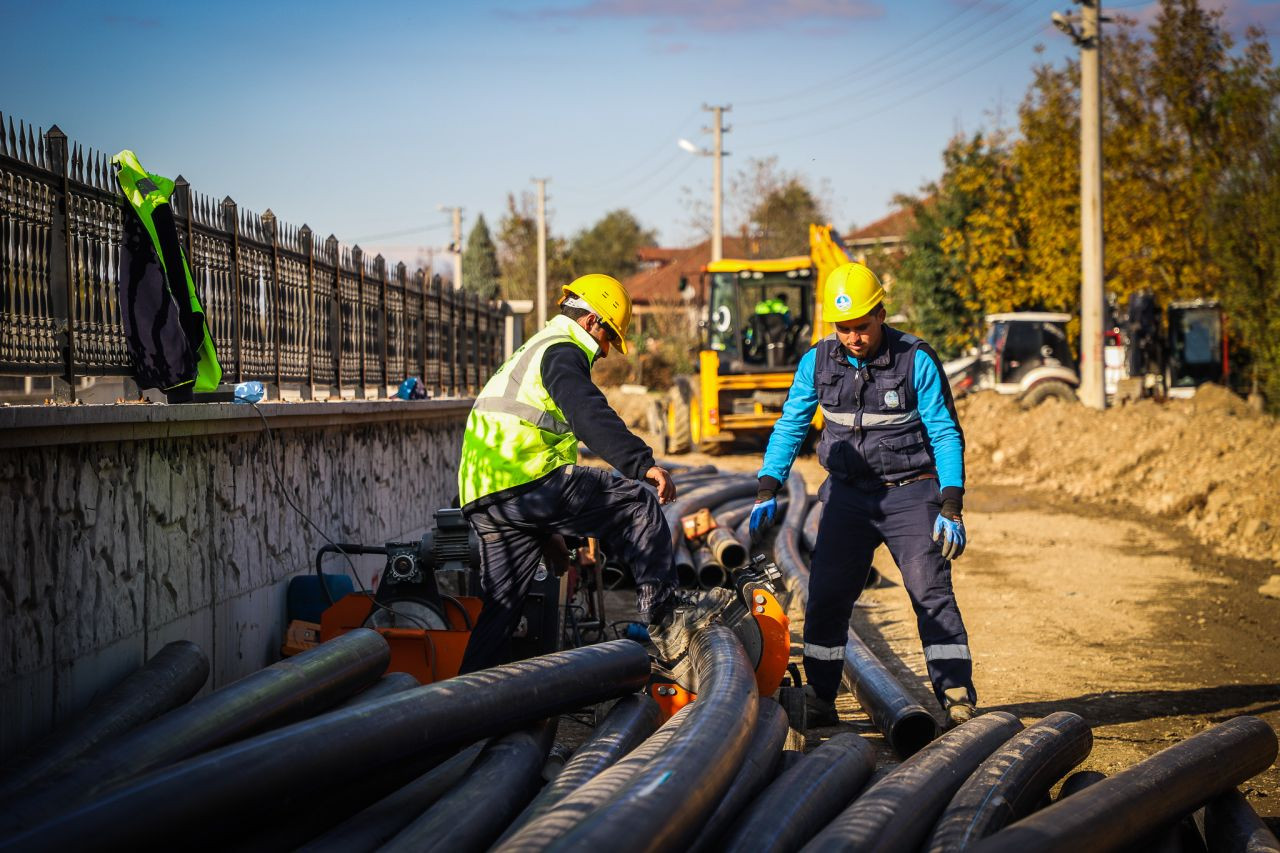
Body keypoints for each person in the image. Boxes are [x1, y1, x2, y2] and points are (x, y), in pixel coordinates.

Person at [456, 273, 730, 674]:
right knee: (637, 503)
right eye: (608, 340)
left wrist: (546, 528)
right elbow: (588, 414)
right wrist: (642, 463)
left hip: (487, 498)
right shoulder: (562, 351)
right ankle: (666, 619)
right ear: (591, 322)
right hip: (526, 480)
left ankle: (462, 709)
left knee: (500, 612)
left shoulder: (531, 350)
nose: (605, 353)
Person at [749, 262, 976, 728]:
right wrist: (767, 486)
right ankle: (822, 694)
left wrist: (950, 504)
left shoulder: (916, 360)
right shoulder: (817, 361)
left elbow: (945, 433)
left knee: (930, 593)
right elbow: (791, 424)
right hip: (848, 498)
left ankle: (955, 693)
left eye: (862, 326)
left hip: (910, 493)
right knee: (828, 595)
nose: (853, 337)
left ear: (881, 314)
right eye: (844, 328)